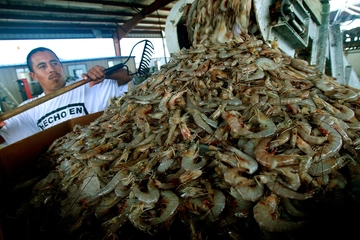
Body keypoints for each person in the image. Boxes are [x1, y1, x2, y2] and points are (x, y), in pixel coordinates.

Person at [0, 47, 133, 146]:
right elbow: (5, 136)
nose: (51, 69)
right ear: (33, 75)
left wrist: (105, 73)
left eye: (54, 63)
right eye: (42, 66)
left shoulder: (89, 85)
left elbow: (127, 75)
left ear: (61, 66)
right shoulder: (27, 109)